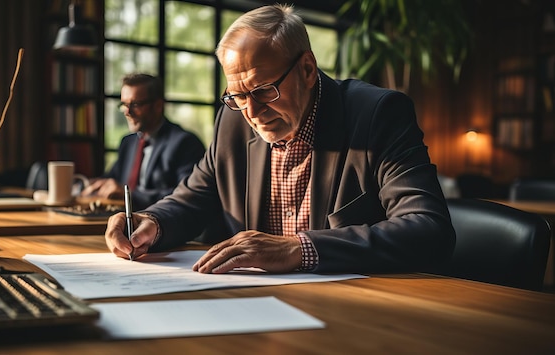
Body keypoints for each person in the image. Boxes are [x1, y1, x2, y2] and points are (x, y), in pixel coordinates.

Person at [104, 4, 456, 274]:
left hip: (361, 310)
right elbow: (192, 198)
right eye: (238, 95)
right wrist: (149, 222)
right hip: (258, 306)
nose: (252, 112)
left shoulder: (378, 114)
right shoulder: (234, 119)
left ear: (306, 69)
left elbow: (427, 229)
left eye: (263, 90)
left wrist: (298, 249)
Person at [81, 74, 205, 209]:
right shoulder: (128, 142)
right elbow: (112, 179)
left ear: (158, 105)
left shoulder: (185, 143)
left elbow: (188, 195)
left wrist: (129, 195)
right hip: (122, 219)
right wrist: (88, 185)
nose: (127, 112)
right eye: (124, 104)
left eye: (135, 104)